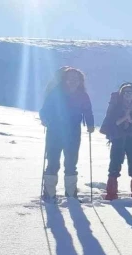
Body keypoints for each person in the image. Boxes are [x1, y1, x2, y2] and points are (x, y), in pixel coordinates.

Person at [40, 67, 94, 201]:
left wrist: (90, 124)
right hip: (55, 130)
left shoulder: (82, 95)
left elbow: (88, 111)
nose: (73, 81)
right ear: (65, 79)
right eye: (70, 78)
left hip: (73, 132)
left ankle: (70, 192)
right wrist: (44, 118)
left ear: (80, 81)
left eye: (76, 79)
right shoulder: (56, 93)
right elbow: (45, 109)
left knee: (71, 161)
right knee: (53, 160)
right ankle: (50, 192)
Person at [100, 83, 132, 200]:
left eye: (130, 92)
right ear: (121, 94)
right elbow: (110, 124)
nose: (128, 94)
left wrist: (130, 120)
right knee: (115, 164)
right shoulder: (115, 107)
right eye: (125, 92)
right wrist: (125, 119)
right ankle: (111, 193)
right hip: (118, 139)